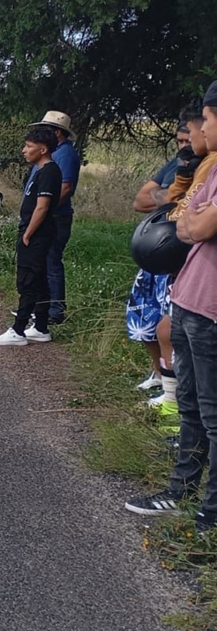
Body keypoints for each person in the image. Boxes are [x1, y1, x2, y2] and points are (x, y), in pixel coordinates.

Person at [125, 82, 217, 526]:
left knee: (212, 414)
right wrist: (191, 206)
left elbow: (194, 227)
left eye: (205, 120)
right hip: (189, 297)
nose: (197, 131)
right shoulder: (207, 168)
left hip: (211, 306)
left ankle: (210, 514)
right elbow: (184, 219)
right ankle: (180, 492)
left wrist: (193, 217)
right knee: (191, 408)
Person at [127, 109, 195, 405]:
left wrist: (169, 195)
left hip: (181, 255)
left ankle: (174, 390)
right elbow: (140, 200)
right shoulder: (176, 164)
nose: (183, 146)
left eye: (187, 140)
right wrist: (172, 195)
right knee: (143, 316)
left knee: (169, 326)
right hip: (154, 252)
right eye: (179, 141)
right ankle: (159, 373)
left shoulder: (206, 167)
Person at [0, 127, 61, 346]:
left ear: (43, 149)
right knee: (38, 280)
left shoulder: (49, 171)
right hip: (34, 232)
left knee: (27, 279)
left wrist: (28, 234)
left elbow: (42, 207)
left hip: (37, 234)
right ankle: (40, 327)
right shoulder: (41, 171)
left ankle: (18, 330)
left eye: (29, 147)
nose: (24, 150)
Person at [32, 111, 81, 324]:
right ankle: (41, 306)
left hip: (56, 217)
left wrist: (46, 209)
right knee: (42, 262)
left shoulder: (66, 154)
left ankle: (55, 310)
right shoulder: (55, 152)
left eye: (47, 129)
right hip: (48, 214)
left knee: (51, 262)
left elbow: (66, 187)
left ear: (58, 132)